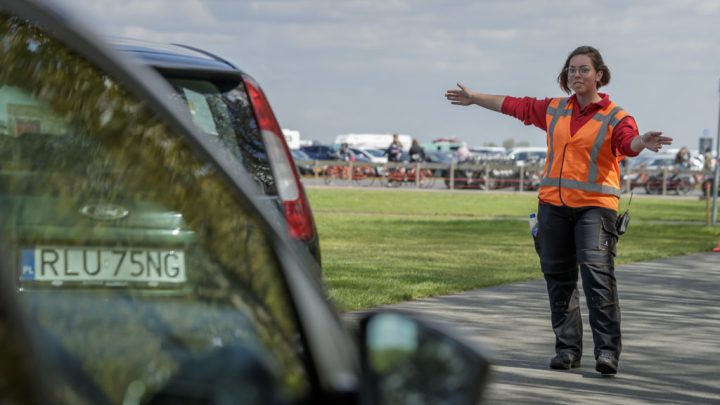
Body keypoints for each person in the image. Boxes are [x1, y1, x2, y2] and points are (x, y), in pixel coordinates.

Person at [445, 45, 673, 375]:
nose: (576, 75)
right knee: (558, 278)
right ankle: (567, 349)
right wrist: (475, 97)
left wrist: (642, 142)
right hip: (552, 205)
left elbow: (627, 144)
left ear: (599, 75)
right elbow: (515, 105)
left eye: (583, 69)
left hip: (595, 209)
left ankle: (607, 351)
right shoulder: (554, 110)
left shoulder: (617, 117)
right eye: (571, 70)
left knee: (597, 278)